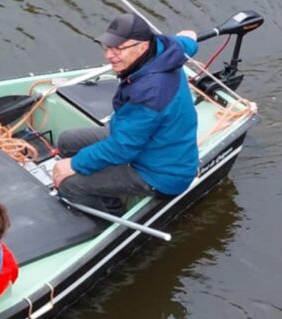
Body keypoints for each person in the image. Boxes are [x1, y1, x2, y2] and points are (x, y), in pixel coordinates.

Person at [51, 14, 200, 215]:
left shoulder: (150, 92)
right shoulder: (167, 48)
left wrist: (75, 164)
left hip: (159, 172)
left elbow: (123, 149)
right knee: (67, 141)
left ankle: (109, 218)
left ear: (142, 46)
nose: (109, 55)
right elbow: (187, 41)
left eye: (118, 48)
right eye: (108, 47)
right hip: (142, 141)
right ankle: (99, 185)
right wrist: (190, 37)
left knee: (70, 186)